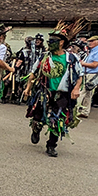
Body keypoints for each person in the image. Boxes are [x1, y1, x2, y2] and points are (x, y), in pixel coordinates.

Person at [23, 25, 83, 157]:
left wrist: (77, 88)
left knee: (57, 120)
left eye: (53, 40)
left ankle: (51, 145)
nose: (49, 42)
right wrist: (28, 88)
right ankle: (36, 129)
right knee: (38, 117)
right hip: (44, 91)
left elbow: (80, 75)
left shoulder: (71, 59)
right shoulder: (44, 57)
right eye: (49, 40)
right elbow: (33, 73)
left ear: (61, 42)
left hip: (62, 94)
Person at [75, 34, 98, 119]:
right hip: (88, 73)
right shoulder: (92, 51)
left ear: (97, 42)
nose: (90, 43)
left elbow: (95, 64)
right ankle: (85, 111)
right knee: (88, 93)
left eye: (92, 41)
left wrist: (82, 63)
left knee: (82, 91)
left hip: (92, 74)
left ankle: (76, 110)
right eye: (89, 41)